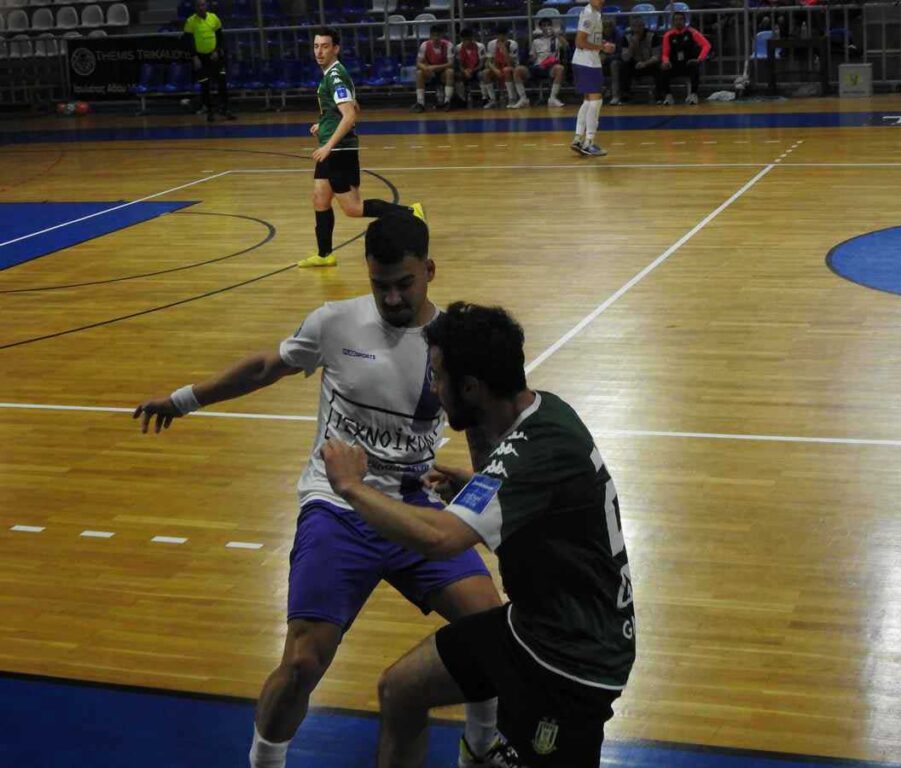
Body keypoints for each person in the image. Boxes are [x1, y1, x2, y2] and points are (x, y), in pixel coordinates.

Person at [133, 216, 518, 768]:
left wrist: (481, 502)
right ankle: (266, 760)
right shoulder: (336, 323)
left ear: (429, 272)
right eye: (380, 283)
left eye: (404, 283)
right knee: (302, 663)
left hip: (413, 506)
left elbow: (483, 435)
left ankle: (481, 749)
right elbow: (268, 365)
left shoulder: (455, 343)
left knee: (489, 628)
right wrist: (184, 399)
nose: (391, 296)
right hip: (337, 506)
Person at [319, 302, 637, 768]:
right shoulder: (543, 412)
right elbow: (527, 494)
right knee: (401, 689)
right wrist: (473, 488)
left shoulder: (533, 452)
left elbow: (438, 539)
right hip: (532, 628)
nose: (432, 387)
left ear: (470, 388)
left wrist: (350, 486)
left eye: (438, 376)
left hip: (574, 660)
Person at [300, 28, 417, 269]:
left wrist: (328, 145)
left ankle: (408, 213)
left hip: (338, 151)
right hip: (332, 148)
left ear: (336, 49)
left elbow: (350, 115)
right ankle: (325, 255)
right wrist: (322, 125)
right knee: (320, 199)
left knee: (353, 208)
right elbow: (353, 105)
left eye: (324, 46)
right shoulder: (331, 74)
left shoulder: (335, 76)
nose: (319, 51)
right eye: (316, 46)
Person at [571, 0, 616, 157]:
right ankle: (589, 142)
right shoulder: (590, 13)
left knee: (588, 101)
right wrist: (603, 47)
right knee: (596, 101)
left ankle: (578, 138)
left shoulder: (594, 12)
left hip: (586, 61)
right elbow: (580, 41)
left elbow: (589, 39)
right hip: (587, 62)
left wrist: (602, 43)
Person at [183, 0, 234, 122]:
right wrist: (194, 57)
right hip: (201, 59)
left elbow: (220, 37)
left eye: (203, 5)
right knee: (205, 85)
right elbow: (187, 42)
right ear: (195, 7)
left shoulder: (214, 18)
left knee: (222, 83)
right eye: (198, 5)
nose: (201, 7)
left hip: (215, 57)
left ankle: (225, 109)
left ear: (206, 6)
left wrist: (217, 50)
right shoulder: (190, 21)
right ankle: (210, 111)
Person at [658, 11, 711, 105]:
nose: (678, 22)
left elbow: (706, 45)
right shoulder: (668, 35)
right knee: (663, 69)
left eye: (681, 19)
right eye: (676, 20)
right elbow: (665, 53)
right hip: (674, 64)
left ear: (685, 21)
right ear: (673, 22)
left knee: (694, 67)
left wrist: (699, 59)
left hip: (688, 63)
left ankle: (693, 94)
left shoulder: (692, 32)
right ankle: (668, 96)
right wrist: (666, 61)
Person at [610, 17, 659, 105]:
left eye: (640, 26)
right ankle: (625, 94)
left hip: (649, 63)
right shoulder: (626, 37)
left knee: (659, 66)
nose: (637, 29)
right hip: (634, 65)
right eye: (634, 26)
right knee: (623, 66)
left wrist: (645, 63)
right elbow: (625, 57)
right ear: (631, 27)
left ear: (644, 26)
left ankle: (660, 94)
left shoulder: (652, 36)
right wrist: (632, 46)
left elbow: (656, 56)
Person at [413, 24, 455, 113]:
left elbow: (451, 63)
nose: (436, 38)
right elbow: (418, 63)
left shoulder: (448, 45)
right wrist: (426, 68)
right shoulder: (424, 45)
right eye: (434, 35)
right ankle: (420, 103)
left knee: (450, 71)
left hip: (442, 71)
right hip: (430, 72)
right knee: (419, 73)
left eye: (438, 35)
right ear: (430, 36)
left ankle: (447, 102)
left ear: (442, 35)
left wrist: (436, 67)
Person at [484, 28, 529, 109]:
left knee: (506, 70)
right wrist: (495, 70)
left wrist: (504, 50)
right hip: (497, 67)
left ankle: (512, 99)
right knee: (486, 73)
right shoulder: (491, 44)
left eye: (503, 35)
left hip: (512, 67)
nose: (501, 37)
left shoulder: (512, 44)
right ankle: (492, 100)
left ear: (506, 35)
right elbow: (488, 62)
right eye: (499, 35)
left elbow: (510, 63)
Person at [528, 18, 567, 107]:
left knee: (560, 68)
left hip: (551, 67)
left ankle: (552, 98)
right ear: (541, 28)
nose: (546, 28)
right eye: (544, 26)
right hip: (538, 67)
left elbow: (566, 46)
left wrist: (556, 34)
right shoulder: (536, 41)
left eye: (548, 25)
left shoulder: (556, 40)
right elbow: (532, 58)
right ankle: (522, 99)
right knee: (522, 70)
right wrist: (532, 60)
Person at [454, 27, 486, 107]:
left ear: (472, 38)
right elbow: (459, 64)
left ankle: (485, 98)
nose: (467, 42)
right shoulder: (458, 48)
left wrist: (472, 70)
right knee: (458, 76)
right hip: (465, 70)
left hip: (477, 69)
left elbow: (481, 64)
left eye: (468, 39)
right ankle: (462, 99)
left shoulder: (480, 46)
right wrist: (465, 71)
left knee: (482, 75)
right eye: (464, 40)